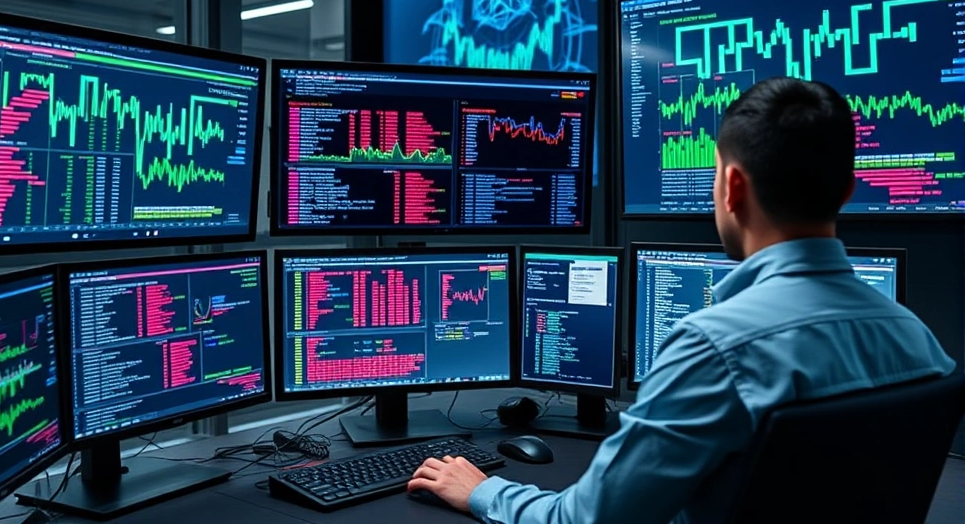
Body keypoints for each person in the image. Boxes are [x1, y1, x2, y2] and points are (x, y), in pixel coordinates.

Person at [406, 77, 957, 523]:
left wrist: (482, 491)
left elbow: (588, 521)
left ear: (732, 187)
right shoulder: (919, 342)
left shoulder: (715, 349)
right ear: (847, 191)